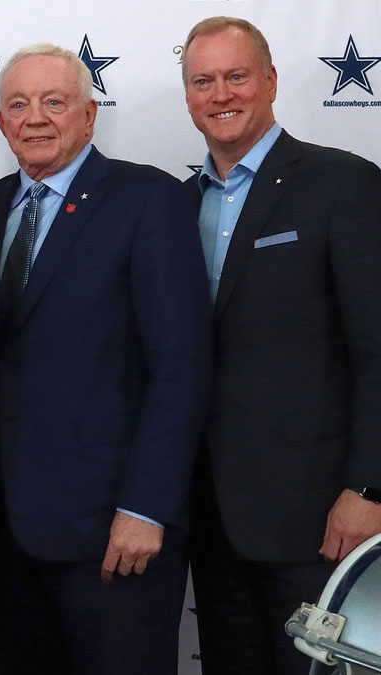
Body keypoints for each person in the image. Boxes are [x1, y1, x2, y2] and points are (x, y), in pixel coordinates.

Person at [0, 43, 210, 675]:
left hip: (115, 533)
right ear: (0, 123)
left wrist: (146, 507)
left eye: (55, 102)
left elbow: (180, 367)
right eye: (19, 104)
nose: (35, 118)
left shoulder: (148, 200)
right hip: (9, 532)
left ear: (89, 114)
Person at [180, 17, 381, 674]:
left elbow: (378, 347)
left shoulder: (341, 184)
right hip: (210, 523)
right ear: (188, 96)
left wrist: (369, 488)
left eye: (235, 76)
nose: (221, 94)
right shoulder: (174, 207)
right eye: (203, 81)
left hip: (318, 521)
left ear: (269, 80)